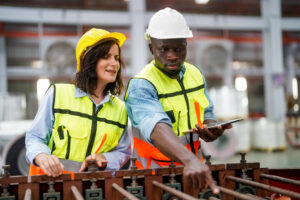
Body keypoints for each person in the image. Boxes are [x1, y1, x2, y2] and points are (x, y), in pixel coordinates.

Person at [125, 8, 232, 193]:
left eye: (178, 48)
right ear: (151, 48)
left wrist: (211, 128)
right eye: (164, 49)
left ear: (186, 46)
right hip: (153, 176)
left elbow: (206, 112)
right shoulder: (142, 85)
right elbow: (156, 126)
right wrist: (189, 160)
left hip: (194, 171)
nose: (172, 56)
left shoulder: (195, 74)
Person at [26, 28, 130, 177]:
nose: (114, 63)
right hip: (50, 184)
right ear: (89, 60)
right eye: (107, 56)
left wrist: (105, 158)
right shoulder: (57, 94)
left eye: (116, 57)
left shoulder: (121, 109)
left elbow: (123, 151)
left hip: (95, 188)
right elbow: (35, 137)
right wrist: (42, 156)